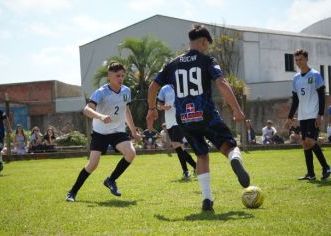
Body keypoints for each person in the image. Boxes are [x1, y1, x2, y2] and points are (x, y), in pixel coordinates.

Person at [146, 24, 250, 212]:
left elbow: (152, 87)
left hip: (185, 119)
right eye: (207, 45)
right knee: (230, 146)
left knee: (201, 155)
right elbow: (222, 83)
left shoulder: (172, 64)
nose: (207, 48)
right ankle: (234, 159)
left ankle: (207, 199)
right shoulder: (207, 60)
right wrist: (236, 109)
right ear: (203, 41)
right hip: (206, 115)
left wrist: (152, 109)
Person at [66, 61, 140, 202]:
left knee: (131, 153)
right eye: (118, 75)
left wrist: (133, 131)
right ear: (109, 76)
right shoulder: (101, 92)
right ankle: (72, 192)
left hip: (118, 131)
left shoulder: (126, 91)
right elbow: (87, 109)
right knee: (93, 164)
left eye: (123, 76)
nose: (121, 78)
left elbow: (126, 111)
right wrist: (101, 116)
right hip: (101, 132)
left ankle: (111, 180)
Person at [285, 49, 330, 181]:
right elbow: (296, 100)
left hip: (313, 113)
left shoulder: (315, 75)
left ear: (306, 59)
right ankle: (311, 174)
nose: (298, 62)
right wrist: (290, 117)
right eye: (296, 60)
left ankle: (326, 167)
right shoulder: (296, 78)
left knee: (310, 141)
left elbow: (322, 96)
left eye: (301, 59)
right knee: (305, 143)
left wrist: (320, 114)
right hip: (303, 115)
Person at [157, 84, 197, 180]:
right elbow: (158, 105)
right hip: (169, 122)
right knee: (179, 148)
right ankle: (191, 169)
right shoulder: (164, 88)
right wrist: (163, 107)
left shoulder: (184, 86)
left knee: (175, 145)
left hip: (181, 120)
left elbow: (192, 102)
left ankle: (191, 169)